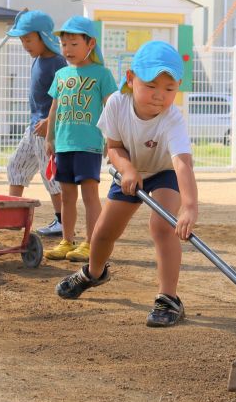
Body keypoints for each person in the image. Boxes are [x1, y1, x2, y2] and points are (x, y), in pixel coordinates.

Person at [55, 40, 197, 328]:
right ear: (131, 79)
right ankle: (93, 274)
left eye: (169, 89)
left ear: (178, 87)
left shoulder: (173, 119)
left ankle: (169, 298)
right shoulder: (117, 104)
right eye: (151, 85)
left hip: (164, 172)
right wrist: (128, 169)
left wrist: (190, 207)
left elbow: (182, 162)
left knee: (161, 226)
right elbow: (115, 147)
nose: (160, 96)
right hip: (130, 172)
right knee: (104, 233)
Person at [44, 16, 118, 262]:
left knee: (89, 196)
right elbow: (54, 109)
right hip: (64, 144)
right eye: (64, 44)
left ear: (91, 44)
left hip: (88, 145)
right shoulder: (61, 74)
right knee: (66, 196)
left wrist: (112, 138)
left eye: (74, 44)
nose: (68, 49)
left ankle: (90, 243)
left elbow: (111, 108)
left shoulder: (102, 74)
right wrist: (49, 138)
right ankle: (67, 241)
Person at [4, 10, 67, 236]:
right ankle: (11, 214)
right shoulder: (39, 60)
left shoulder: (58, 63)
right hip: (32, 128)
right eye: (22, 40)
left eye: (29, 39)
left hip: (47, 130)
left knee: (50, 175)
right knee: (15, 165)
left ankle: (61, 221)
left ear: (43, 37)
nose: (25, 45)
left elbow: (66, 99)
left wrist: (50, 120)